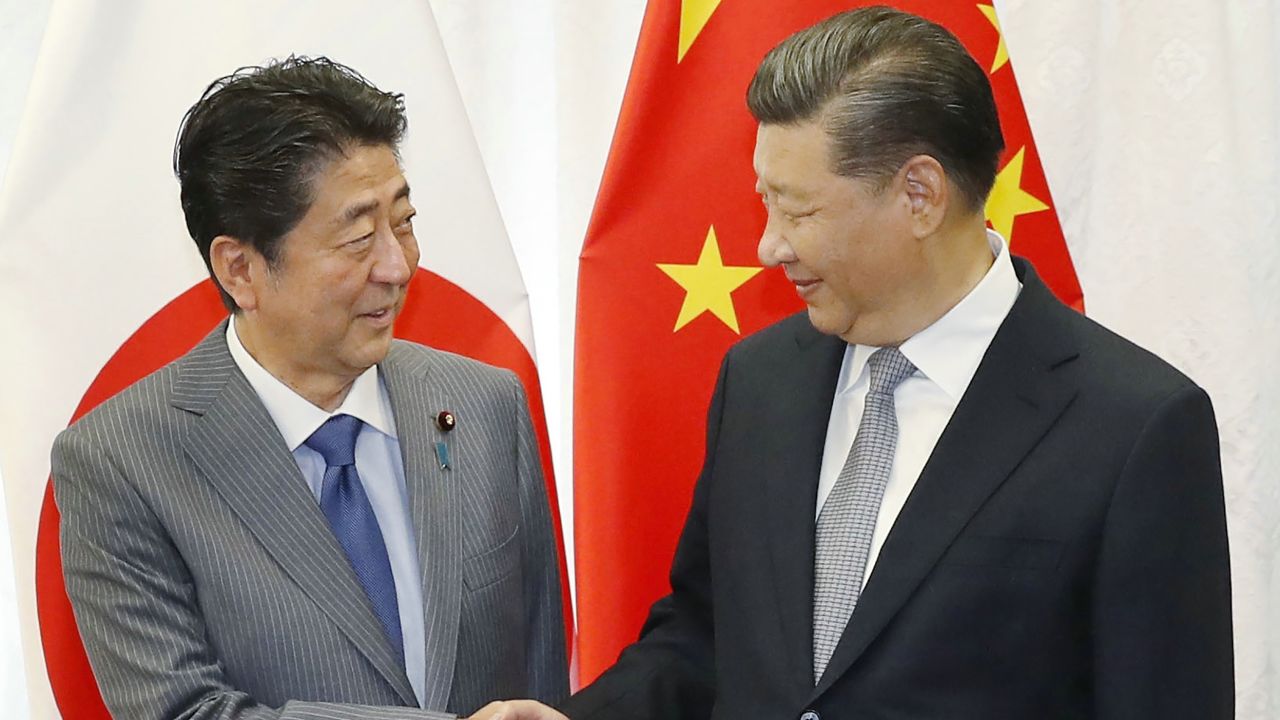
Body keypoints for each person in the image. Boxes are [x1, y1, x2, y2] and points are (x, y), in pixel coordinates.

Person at [553, 6, 1234, 719]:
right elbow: (705, 639)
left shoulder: (1134, 427)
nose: (769, 246)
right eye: (766, 204)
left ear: (920, 195)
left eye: (798, 211)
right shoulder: (758, 382)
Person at [51, 56, 568, 720]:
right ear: (240, 269)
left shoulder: (484, 406)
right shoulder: (123, 461)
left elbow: (539, 684)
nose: (397, 264)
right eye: (357, 239)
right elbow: (180, 711)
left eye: (403, 222)